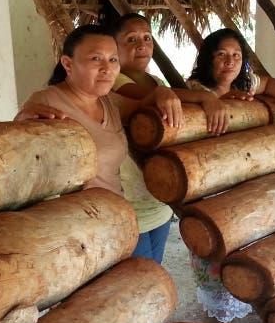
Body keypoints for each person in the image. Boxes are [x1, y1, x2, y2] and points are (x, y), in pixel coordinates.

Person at [185, 28, 275, 323]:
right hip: (211, 194)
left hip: (244, 191)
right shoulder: (195, 87)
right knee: (215, 268)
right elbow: (178, 95)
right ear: (208, 59)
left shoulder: (247, 84)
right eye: (221, 55)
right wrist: (211, 100)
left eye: (236, 55)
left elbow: (270, 83)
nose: (229, 61)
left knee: (245, 265)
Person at [99, 3, 229, 263]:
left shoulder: (157, 82)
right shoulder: (114, 81)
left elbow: (162, 97)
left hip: (154, 197)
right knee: (140, 276)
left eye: (147, 38)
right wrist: (203, 96)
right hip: (127, 201)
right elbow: (145, 97)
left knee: (154, 268)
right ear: (114, 47)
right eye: (131, 39)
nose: (142, 45)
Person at [14, 24, 184, 197]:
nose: (107, 68)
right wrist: (20, 125)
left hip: (115, 214)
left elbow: (145, 104)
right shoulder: (46, 102)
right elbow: (17, 147)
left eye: (113, 59)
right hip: (70, 220)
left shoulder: (109, 102)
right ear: (67, 64)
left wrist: (163, 92)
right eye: (96, 58)